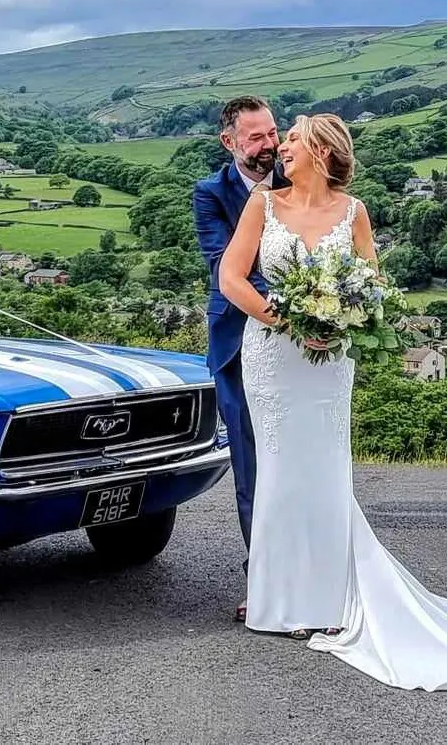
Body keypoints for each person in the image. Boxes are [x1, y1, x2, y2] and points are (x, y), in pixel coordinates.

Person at [218, 113, 447, 691]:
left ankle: (328, 596)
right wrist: (289, 320)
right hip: (272, 354)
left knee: (323, 470)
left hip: (329, 365)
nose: (282, 148)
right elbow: (231, 279)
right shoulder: (262, 206)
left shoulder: (354, 211)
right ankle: (277, 600)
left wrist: (345, 321)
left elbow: (373, 286)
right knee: (280, 471)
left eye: (292, 140)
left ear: (321, 151)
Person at [192, 96, 287, 623]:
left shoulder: (299, 184)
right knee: (251, 466)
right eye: (256, 137)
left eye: (272, 132)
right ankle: (265, 577)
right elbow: (222, 265)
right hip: (236, 344)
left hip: (300, 349)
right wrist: (295, 305)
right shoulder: (210, 193)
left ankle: (312, 570)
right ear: (230, 142)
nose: (269, 144)